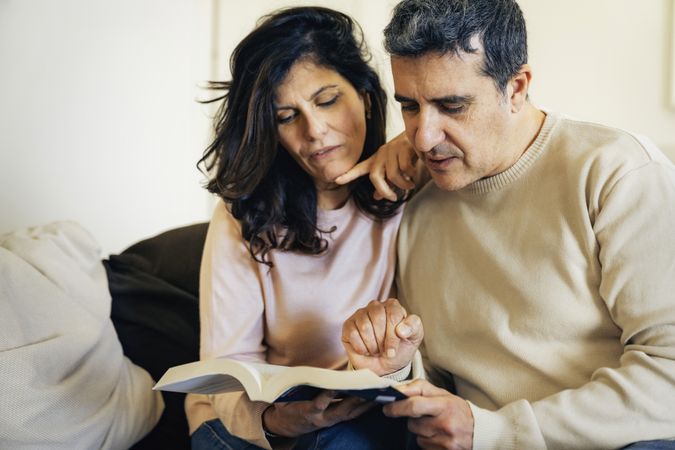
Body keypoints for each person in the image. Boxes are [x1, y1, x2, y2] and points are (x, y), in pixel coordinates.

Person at [340, 0, 675, 449]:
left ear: (516, 87)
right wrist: (396, 366)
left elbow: (669, 379)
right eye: (410, 107)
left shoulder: (617, 173)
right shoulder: (418, 202)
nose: (423, 137)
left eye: (452, 105)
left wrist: (496, 432)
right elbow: (442, 387)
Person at [186, 6, 421, 450]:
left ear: (367, 98)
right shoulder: (243, 214)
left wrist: (415, 145)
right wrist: (276, 421)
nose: (314, 131)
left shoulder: (412, 185)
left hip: (359, 411)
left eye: (327, 100)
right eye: (286, 116)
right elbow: (227, 366)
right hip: (247, 419)